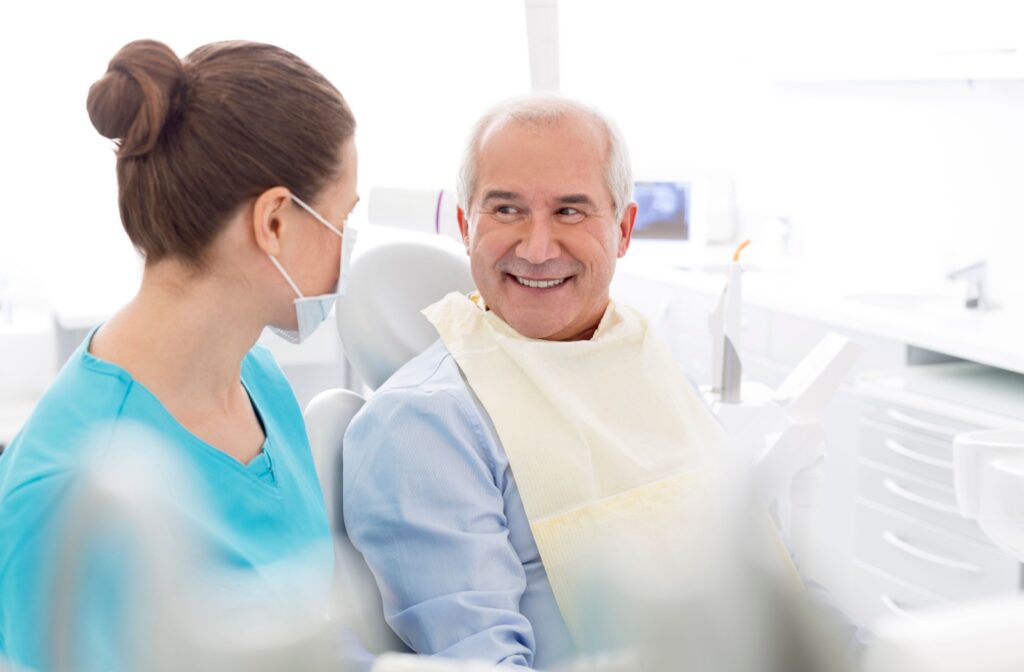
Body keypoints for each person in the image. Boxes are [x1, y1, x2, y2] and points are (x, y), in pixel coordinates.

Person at [0, 39, 365, 670]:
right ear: (275, 222)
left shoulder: (259, 381)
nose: (348, 250)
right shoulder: (72, 495)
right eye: (342, 220)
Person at [342, 96, 744, 669]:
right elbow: (487, 661)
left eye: (571, 212)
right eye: (506, 210)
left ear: (625, 230)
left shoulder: (639, 358)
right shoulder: (426, 422)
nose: (535, 248)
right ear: (464, 225)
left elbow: (776, 571)